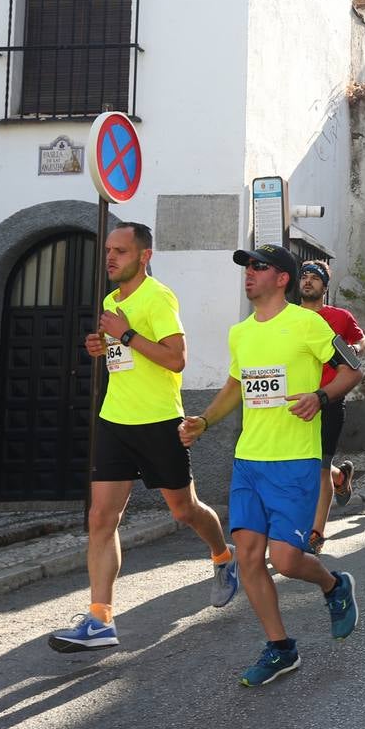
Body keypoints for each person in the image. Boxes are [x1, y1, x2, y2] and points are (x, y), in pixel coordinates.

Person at [49, 222, 238, 654]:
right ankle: (100, 619)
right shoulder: (111, 301)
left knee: (183, 509)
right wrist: (102, 347)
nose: (110, 258)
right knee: (101, 518)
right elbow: (124, 356)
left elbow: (176, 359)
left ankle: (223, 557)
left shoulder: (159, 297)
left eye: (120, 251)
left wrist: (124, 334)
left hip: (157, 422)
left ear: (143, 256)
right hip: (115, 419)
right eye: (108, 251)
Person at [179, 244, 362, 686]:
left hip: (295, 460)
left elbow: (353, 368)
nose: (249, 274)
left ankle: (334, 587)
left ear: (282, 278)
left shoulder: (308, 324)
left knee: (286, 559)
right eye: (247, 267)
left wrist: (320, 397)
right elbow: (235, 386)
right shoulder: (240, 333)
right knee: (248, 556)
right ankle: (281, 648)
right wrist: (204, 420)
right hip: (249, 460)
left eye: (259, 267)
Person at [298, 260, 365, 554]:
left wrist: (356, 349)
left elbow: (360, 340)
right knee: (305, 465)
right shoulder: (287, 317)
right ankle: (342, 477)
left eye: (315, 278)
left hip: (330, 401)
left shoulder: (339, 316)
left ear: (325, 286)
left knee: (319, 468)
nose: (308, 281)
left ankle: (316, 534)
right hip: (296, 403)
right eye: (305, 277)